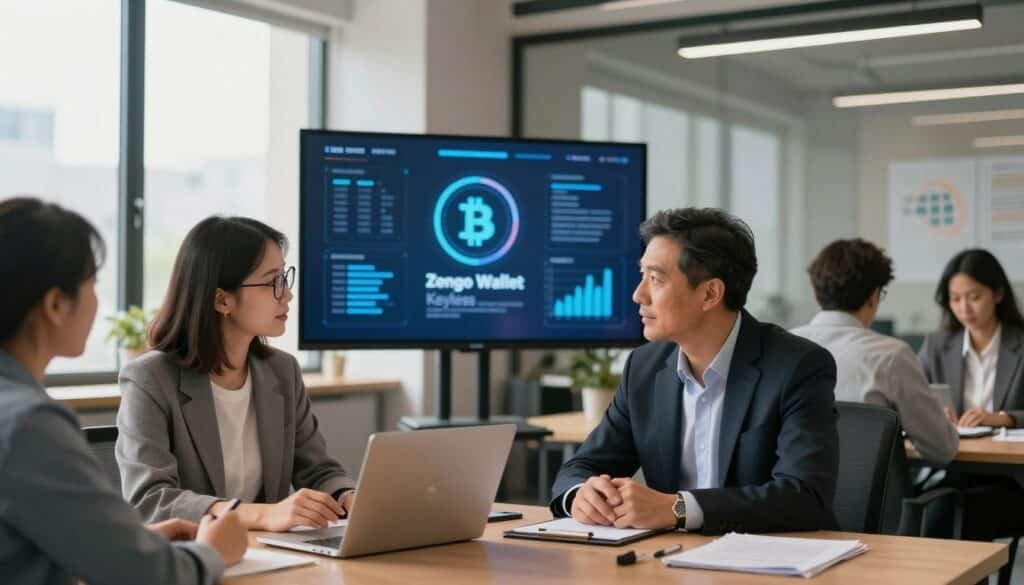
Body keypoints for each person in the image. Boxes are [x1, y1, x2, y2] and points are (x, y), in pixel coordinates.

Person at [0, 197, 246, 585]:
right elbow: (142, 576)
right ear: (55, 304)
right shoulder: (29, 424)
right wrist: (212, 552)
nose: (97, 300)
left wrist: (131, 543)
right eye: (92, 284)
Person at [550, 207, 839, 534]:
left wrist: (678, 508)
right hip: (671, 560)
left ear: (709, 293)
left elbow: (804, 498)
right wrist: (582, 495)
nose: (638, 294)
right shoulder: (644, 368)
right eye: (641, 275)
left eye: (655, 279)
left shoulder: (797, 366)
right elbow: (581, 467)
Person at [116, 216, 355, 531]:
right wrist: (262, 515)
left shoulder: (282, 372)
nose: (287, 295)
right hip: (195, 560)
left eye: (285, 278)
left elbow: (317, 471)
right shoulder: (150, 379)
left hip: (271, 557)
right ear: (222, 299)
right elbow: (151, 499)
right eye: (273, 281)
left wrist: (348, 495)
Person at [791, 238, 958, 465]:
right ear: (874, 296)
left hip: (797, 497)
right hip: (872, 499)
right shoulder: (890, 356)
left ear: (817, 293)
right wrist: (941, 423)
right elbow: (942, 450)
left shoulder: (784, 347)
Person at [919, 248, 1024, 542]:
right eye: (955, 299)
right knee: (927, 510)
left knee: (962, 516)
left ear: (998, 294)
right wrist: (934, 416)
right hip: (954, 470)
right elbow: (911, 401)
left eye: (974, 297)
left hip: (1013, 478)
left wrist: (1003, 418)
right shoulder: (936, 346)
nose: (964, 308)